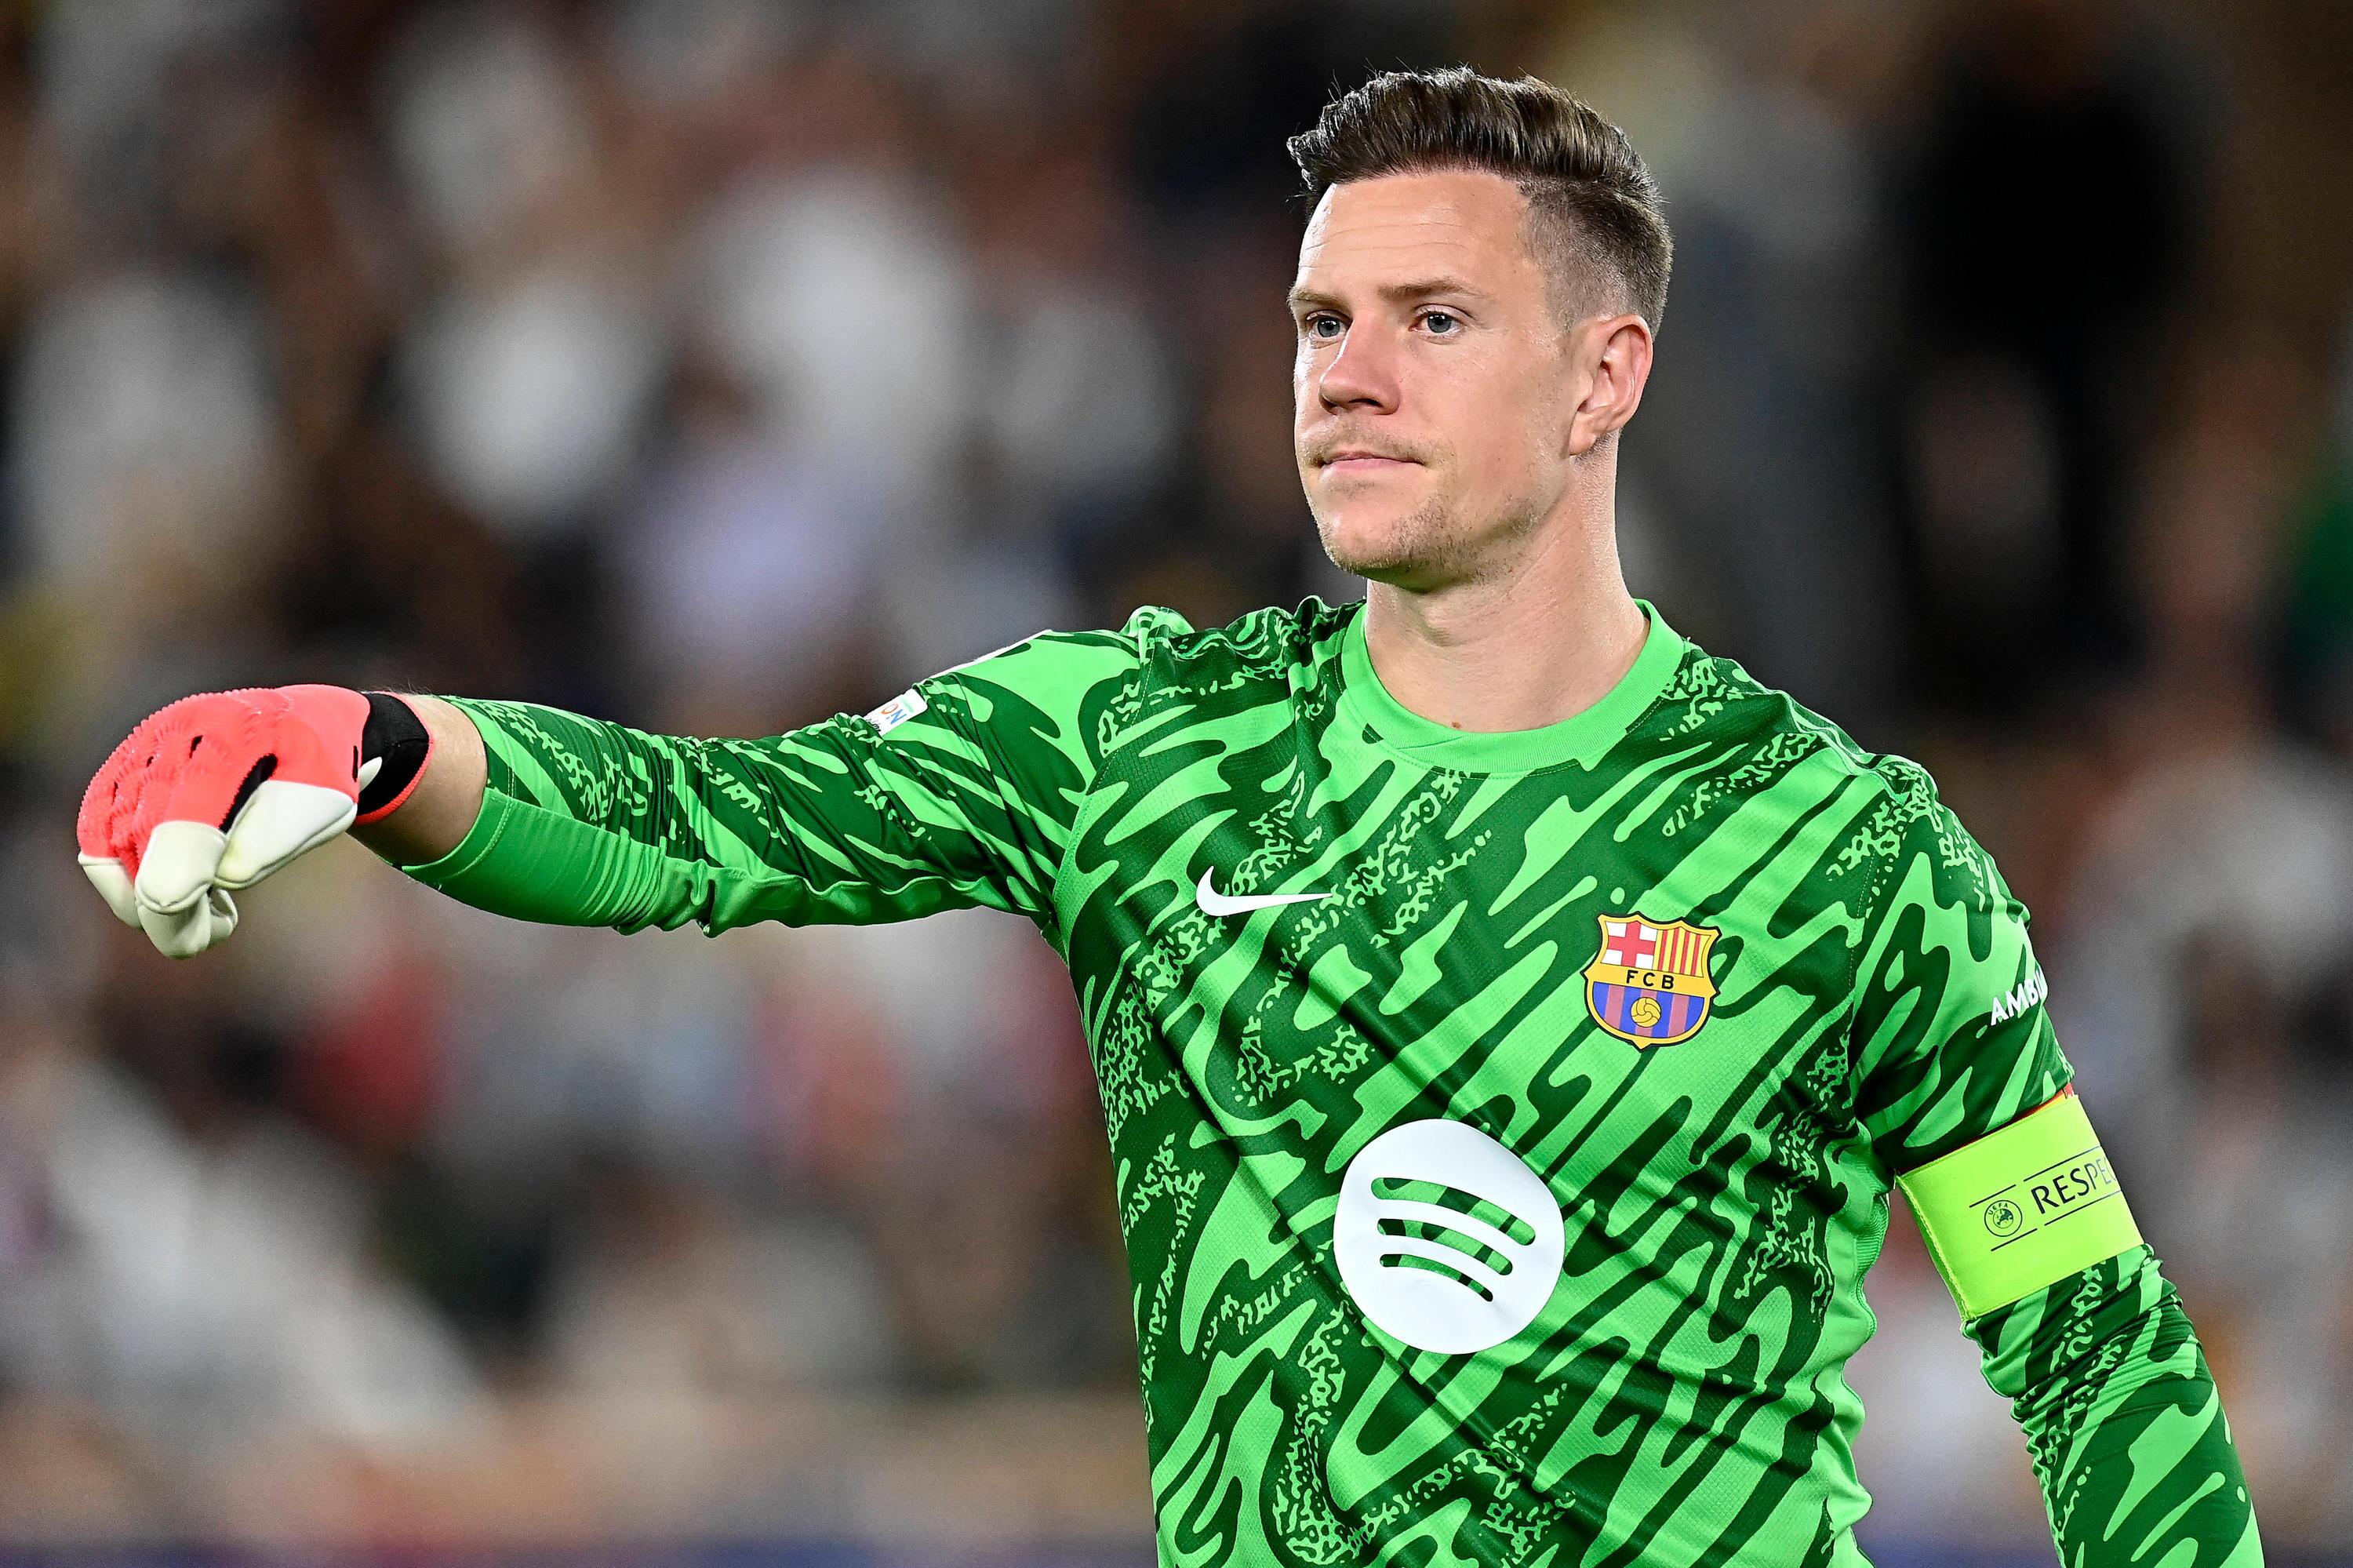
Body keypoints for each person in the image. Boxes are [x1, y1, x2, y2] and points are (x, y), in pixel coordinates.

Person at [75, 67, 2259, 1568]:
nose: (1345, 374)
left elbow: (2086, 1334)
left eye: (1432, 320)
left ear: (1606, 377)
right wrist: (374, 745)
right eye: (1319, 321)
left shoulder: (1847, 854)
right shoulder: (1141, 745)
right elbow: (702, 825)